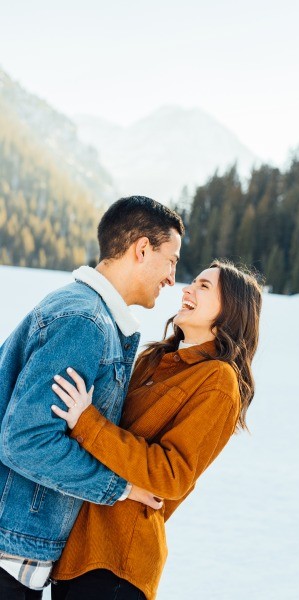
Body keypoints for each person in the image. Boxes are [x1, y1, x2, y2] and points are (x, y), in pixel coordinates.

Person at [46, 259, 262, 600]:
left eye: (204, 286)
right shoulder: (154, 359)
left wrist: (86, 422)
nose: (187, 289)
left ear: (229, 313)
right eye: (193, 281)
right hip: (75, 551)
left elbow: (171, 475)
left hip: (118, 559)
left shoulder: (218, 381)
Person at [0, 196, 181, 599]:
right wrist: (119, 487)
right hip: (9, 552)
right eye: (171, 260)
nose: (172, 276)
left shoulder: (86, 312)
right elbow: (26, 441)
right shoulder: (85, 322)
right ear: (141, 249)